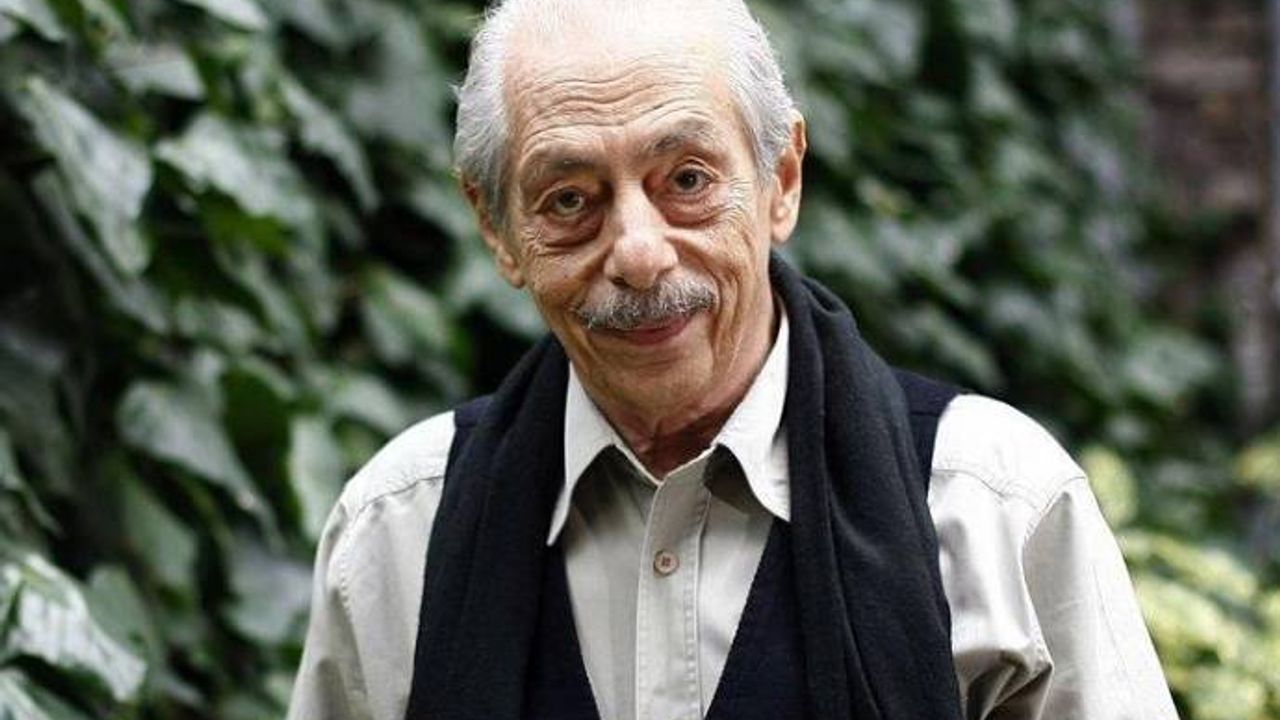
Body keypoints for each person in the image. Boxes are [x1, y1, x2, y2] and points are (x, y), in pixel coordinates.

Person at [288, 0, 1180, 718]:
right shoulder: (398, 534)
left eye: (686, 180)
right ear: (497, 229)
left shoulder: (992, 510)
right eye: (569, 200)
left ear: (781, 179)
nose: (639, 254)